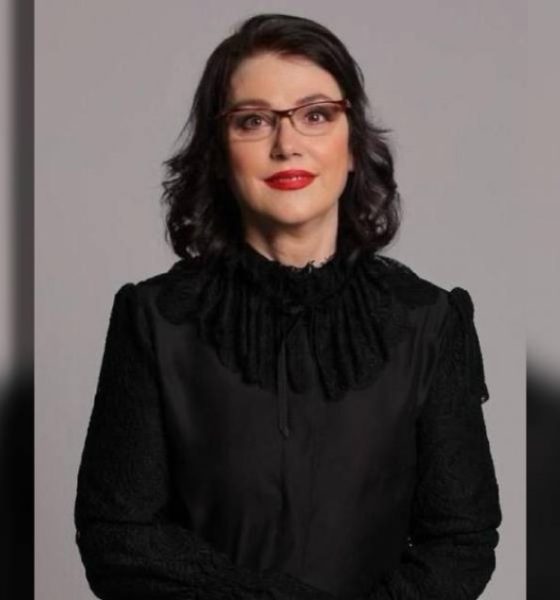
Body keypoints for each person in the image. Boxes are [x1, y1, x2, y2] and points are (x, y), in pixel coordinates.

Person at [74, 13, 502, 600]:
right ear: (219, 153)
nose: (287, 144)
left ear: (353, 145)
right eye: (253, 120)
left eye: (316, 114)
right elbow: (118, 539)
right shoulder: (152, 319)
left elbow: (461, 542)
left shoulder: (429, 321)